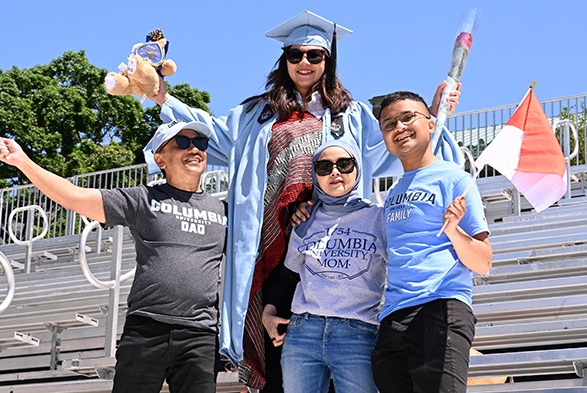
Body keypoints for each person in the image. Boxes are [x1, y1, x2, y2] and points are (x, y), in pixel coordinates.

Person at [145, 10, 462, 391]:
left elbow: (393, 145)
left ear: (328, 62)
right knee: (281, 356)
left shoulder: (352, 115)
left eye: (315, 55)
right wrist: (160, 94)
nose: (305, 63)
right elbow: (208, 132)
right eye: (295, 55)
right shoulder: (255, 114)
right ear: (285, 61)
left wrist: (433, 114)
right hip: (269, 254)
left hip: (331, 254)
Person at [0, 120, 228, 393]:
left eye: (200, 143)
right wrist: (22, 161)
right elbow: (73, 196)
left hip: (200, 334)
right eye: (183, 143)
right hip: (146, 328)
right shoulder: (143, 199)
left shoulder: (225, 210)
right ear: (159, 158)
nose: (194, 150)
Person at [370, 91, 492, 393]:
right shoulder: (394, 190)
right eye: (389, 124)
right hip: (393, 317)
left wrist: (454, 231)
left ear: (430, 123)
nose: (399, 127)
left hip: (440, 307)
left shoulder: (455, 179)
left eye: (408, 117)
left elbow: (484, 262)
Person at [261, 139, 386, 393]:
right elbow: (288, 275)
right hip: (303, 334)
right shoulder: (305, 220)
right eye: (324, 167)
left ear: (357, 169)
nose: (335, 172)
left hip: (359, 333)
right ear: (314, 175)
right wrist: (268, 311)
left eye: (344, 164)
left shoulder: (379, 218)